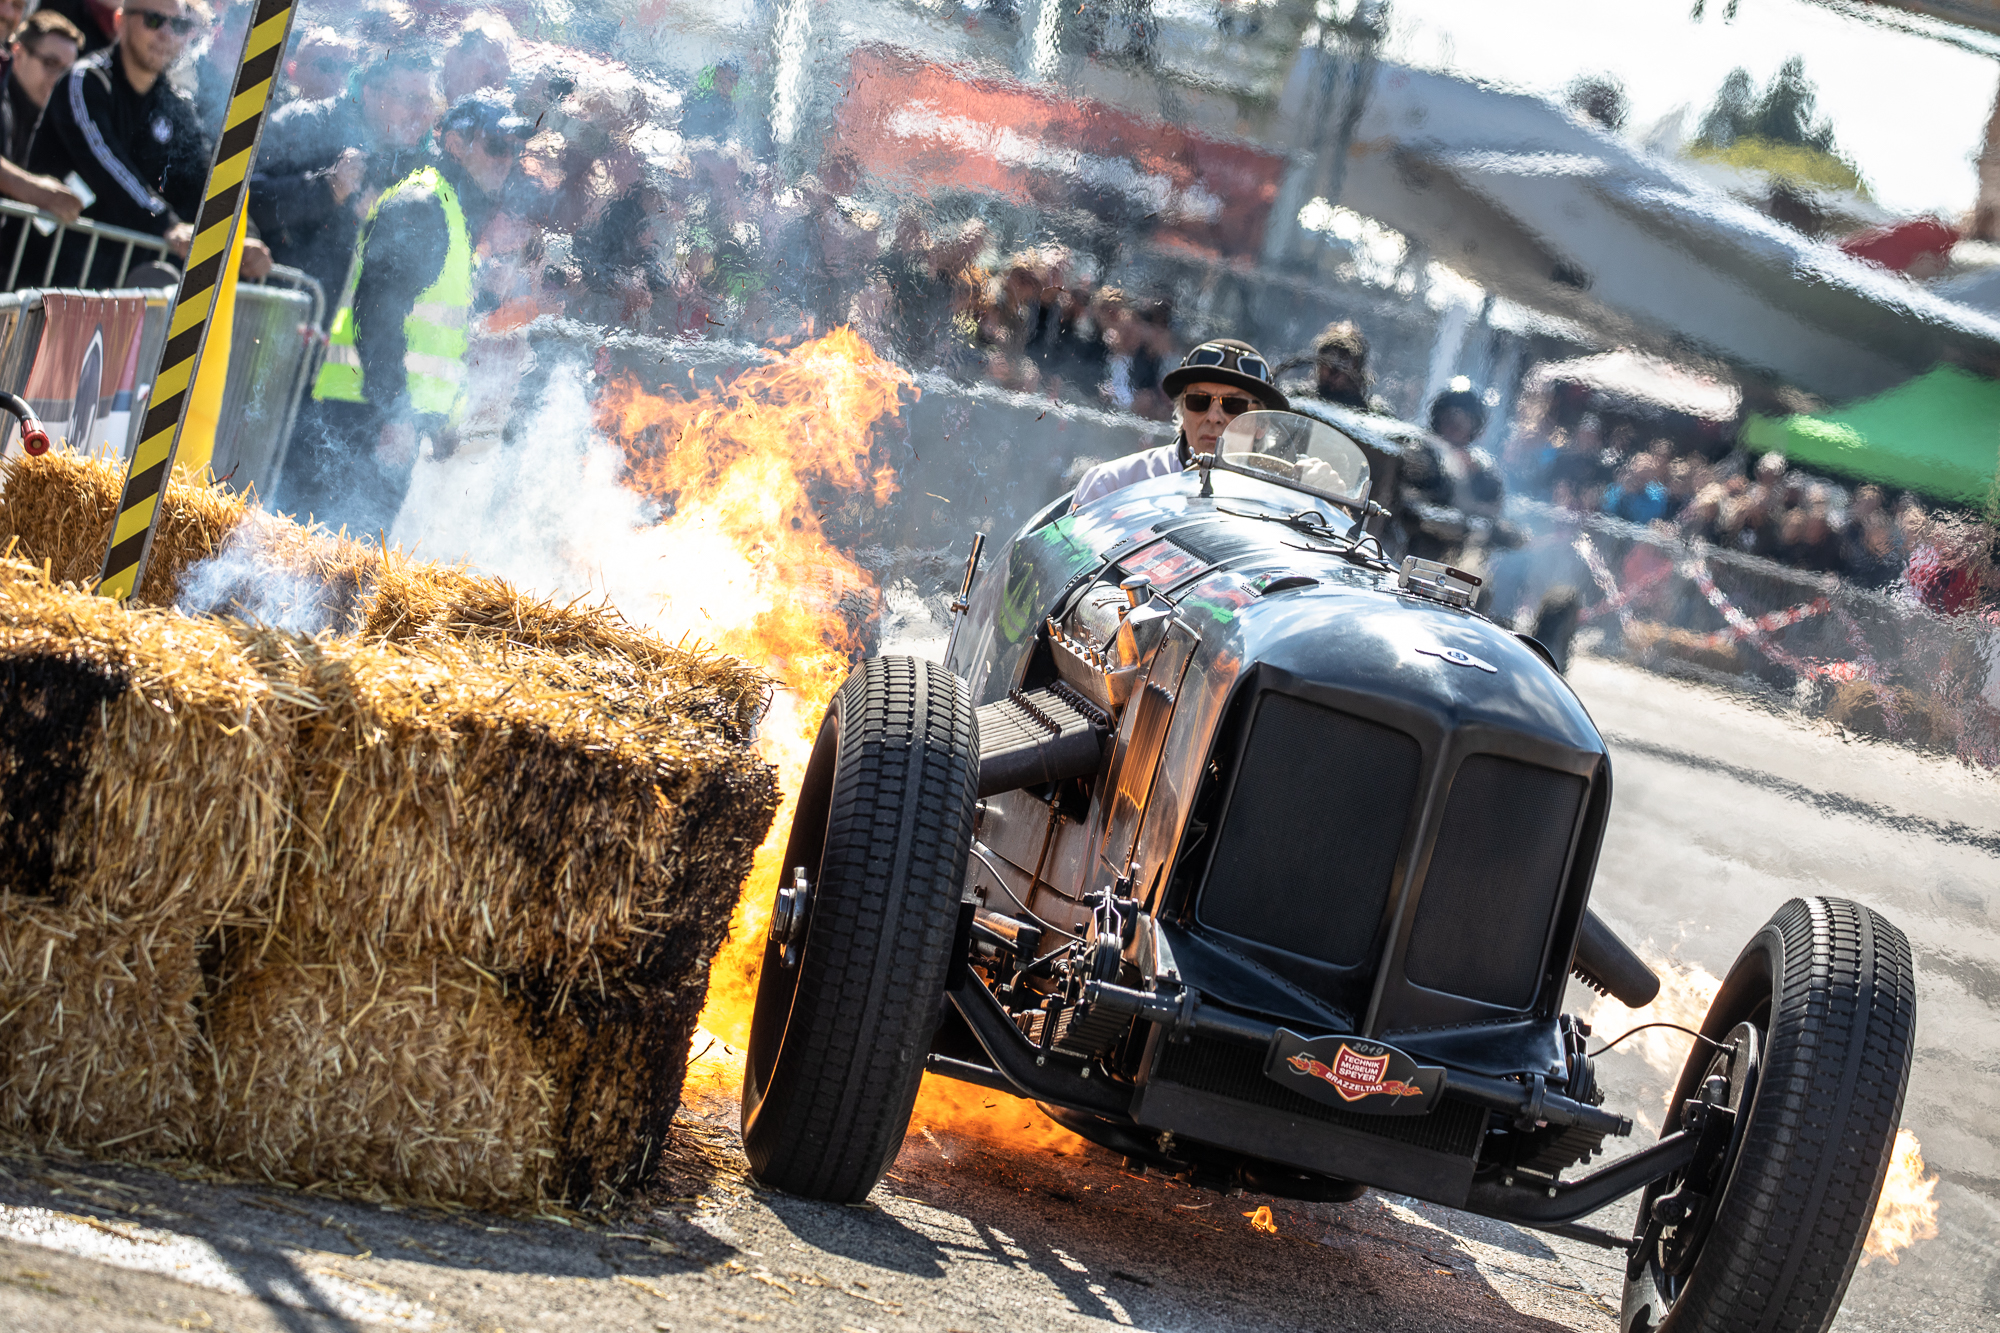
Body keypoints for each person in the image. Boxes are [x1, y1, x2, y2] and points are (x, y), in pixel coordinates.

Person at [287, 91, 528, 534]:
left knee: (347, 563)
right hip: (358, 419)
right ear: (456, 144)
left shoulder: (448, 208)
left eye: (516, 148)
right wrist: (393, 413)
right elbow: (377, 316)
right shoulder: (423, 204)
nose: (508, 158)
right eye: (497, 145)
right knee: (328, 555)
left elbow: (430, 326)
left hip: (379, 416)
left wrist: (436, 419)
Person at [28, 0, 270, 284]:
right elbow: (107, 165)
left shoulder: (176, 106)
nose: (166, 33)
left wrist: (244, 237)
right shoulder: (85, 81)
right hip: (44, 280)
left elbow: (206, 180)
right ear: (120, 21)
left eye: (179, 25)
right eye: (154, 20)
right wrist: (165, 223)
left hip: (118, 293)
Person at [250, 50, 440, 301]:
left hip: (343, 329)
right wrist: (328, 188)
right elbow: (245, 198)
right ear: (370, 93)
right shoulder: (306, 123)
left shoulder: (416, 161)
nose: (422, 113)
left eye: (428, 102)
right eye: (411, 99)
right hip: (273, 311)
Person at [1072, 339, 1287, 510]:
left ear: (1262, 425)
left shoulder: (1283, 505)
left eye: (1234, 404)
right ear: (1182, 414)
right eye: (1199, 401)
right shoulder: (1113, 485)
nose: (1213, 417)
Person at [0, 8, 85, 225]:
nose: (58, 79)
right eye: (50, 64)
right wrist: (33, 189)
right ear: (18, 53)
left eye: (66, 72)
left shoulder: (58, 121)